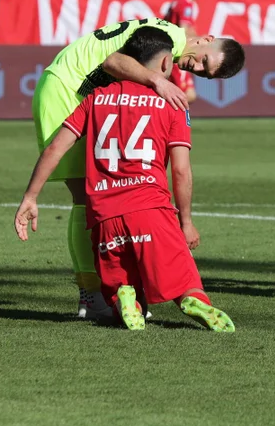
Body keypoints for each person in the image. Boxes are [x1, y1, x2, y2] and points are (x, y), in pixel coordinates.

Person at [15, 27, 235, 332]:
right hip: (150, 207)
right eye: (203, 64)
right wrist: (186, 220)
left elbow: (56, 147)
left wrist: (30, 196)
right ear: (164, 63)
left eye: (204, 74)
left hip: (105, 215)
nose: (196, 70)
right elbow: (181, 170)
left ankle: (117, 295)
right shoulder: (171, 96)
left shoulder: (97, 99)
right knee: (177, 266)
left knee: (93, 216)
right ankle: (190, 296)